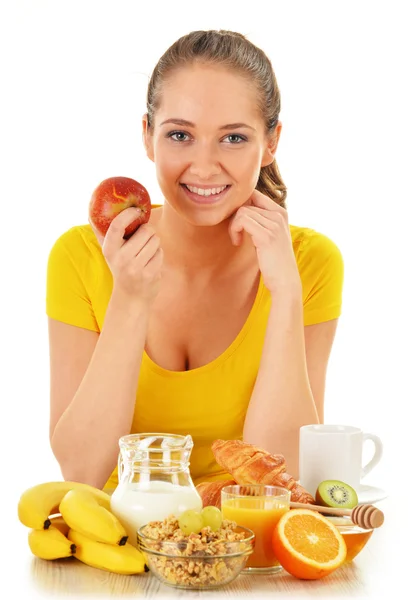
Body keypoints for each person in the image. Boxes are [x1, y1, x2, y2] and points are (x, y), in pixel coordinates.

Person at [46, 30, 344, 492]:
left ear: (271, 143)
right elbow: (82, 472)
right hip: (119, 546)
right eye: (180, 135)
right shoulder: (81, 256)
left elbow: (279, 478)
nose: (204, 167)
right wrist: (129, 299)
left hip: (244, 547)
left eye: (233, 138)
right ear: (147, 136)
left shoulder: (309, 263)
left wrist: (285, 294)